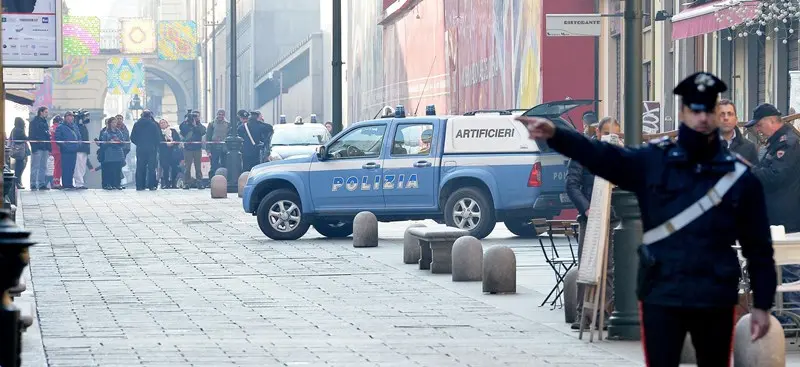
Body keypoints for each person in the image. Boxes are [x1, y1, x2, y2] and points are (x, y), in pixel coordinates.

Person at [517, 72, 776, 366]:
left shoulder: (739, 175)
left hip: (713, 290)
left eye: (707, 110)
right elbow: (602, 156)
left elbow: (758, 246)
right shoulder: (655, 160)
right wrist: (557, 135)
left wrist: (763, 303)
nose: (701, 117)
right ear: (682, 113)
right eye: (695, 109)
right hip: (662, 289)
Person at [565, 116, 621, 330]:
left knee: (609, 269)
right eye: (607, 133)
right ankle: (583, 314)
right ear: (597, 132)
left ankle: (605, 314)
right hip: (591, 216)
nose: (610, 138)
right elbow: (571, 185)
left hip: (615, 216)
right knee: (587, 265)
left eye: (615, 134)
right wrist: (587, 208)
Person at [745, 103, 800, 232]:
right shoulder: (775, 144)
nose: (757, 130)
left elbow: (775, 175)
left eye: (759, 125)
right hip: (775, 218)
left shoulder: (787, 144)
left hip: (785, 220)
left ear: (772, 121)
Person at [717, 99, 758, 164]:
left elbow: (754, 173)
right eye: (722, 114)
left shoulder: (749, 147)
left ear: (736, 120)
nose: (726, 118)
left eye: (730, 114)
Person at [130, 110, 162, 190]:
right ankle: (151, 185)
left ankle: (140, 185)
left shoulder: (137, 124)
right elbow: (158, 138)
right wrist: (154, 145)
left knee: (140, 167)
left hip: (140, 149)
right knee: (151, 168)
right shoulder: (153, 125)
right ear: (149, 116)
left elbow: (132, 137)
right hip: (151, 149)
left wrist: (139, 143)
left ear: (142, 115)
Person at [179, 110, 206, 189]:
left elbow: (203, 131)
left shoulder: (199, 125)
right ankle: (187, 182)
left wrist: (196, 124)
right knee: (187, 167)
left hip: (197, 148)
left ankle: (199, 182)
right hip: (188, 148)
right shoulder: (186, 124)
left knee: (198, 167)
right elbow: (182, 129)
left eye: (196, 116)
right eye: (193, 116)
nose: (194, 118)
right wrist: (186, 120)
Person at [54, 111, 81, 189]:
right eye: (69, 117)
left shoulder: (75, 126)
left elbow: (79, 136)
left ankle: (70, 183)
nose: (71, 118)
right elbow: (58, 138)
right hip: (65, 151)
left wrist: (78, 145)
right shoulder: (61, 127)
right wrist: (64, 146)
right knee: (66, 168)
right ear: (65, 118)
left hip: (74, 150)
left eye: (71, 116)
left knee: (72, 167)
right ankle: (65, 184)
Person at [100, 117, 126, 190]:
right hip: (109, 153)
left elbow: (123, 143)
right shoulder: (106, 133)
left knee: (118, 169)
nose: (114, 124)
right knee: (109, 170)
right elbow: (103, 144)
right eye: (113, 122)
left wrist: (119, 141)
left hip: (118, 153)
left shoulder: (119, 132)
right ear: (110, 123)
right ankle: (109, 184)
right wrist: (109, 142)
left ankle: (117, 184)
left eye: (115, 122)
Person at [28, 106, 50, 190]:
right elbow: (31, 135)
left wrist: (49, 148)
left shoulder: (45, 122)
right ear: (41, 112)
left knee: (43, 166)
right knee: (35, 166)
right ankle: (33, 183)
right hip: (37, 147)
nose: (47, 114)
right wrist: (34, 147)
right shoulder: (34, 122)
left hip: (45, 147)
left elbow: (47, 136)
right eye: (46, 112)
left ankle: (41, 183)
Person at [158, 119, 181, 189]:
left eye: (164, 122)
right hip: (163, 153)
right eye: (161, 123)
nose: (163, 124)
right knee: (165, 168)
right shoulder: (159, 132)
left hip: (173, 152)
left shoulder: (173, 131)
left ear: (167, 123)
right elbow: (158, 142)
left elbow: (178, 140)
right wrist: (166, 145)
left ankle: (173, 183)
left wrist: (173, 143)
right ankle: (166, 183)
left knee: (174, 168)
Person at [206, 109, 229, 176]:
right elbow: (208, 137)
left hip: (224, 148)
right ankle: (212, 179)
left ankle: (224, 178)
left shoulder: (227, 124)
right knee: (213, 165)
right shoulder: (212, 124)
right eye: (219, 114)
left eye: (222, 115)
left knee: (224, 164)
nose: (220, 116)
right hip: (214, 147)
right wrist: (208, 149)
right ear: (217, 115)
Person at [9, 117, 30, 189]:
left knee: (19, 166)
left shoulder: (14, 129)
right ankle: (17, 182)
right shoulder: (19, 130)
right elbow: (24, 138)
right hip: (20, 151)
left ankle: (18, 182)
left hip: (18, 151)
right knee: (19, 167)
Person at [74, 112, 92, 189]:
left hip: (84, 149)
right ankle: (79, 183)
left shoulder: (84, 127)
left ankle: (81, 182)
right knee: (78, 167)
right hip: (79, 149)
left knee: (82, 167)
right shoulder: (77, 127)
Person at [49, 115, 63, 189]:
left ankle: (55, 182)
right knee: (58, 167)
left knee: (55, 166)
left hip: (52, 149)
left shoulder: (51, 128)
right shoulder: (58, 127)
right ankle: (56, 183)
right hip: (58, 149)